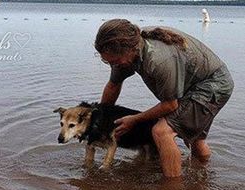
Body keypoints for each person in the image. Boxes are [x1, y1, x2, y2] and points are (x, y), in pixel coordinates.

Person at [95, 19, 234, 178]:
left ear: (129, 49)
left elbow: (170, 105)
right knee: (195, 139)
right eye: (107, 61)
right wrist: (99, 120)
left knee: (162, 131)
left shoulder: (158, 60)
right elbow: (113, 85)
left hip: (213, 84)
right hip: (192, 83)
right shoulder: (126, 55)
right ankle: (201, 176)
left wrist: (134, 119)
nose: (112, 65)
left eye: (114, 61)